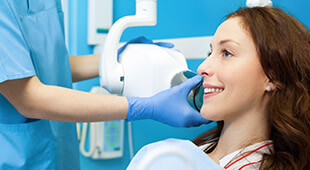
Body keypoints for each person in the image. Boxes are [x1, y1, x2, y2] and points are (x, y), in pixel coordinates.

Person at [0, 1, 209, 169]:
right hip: (20, 157)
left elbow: (48, 65)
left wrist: (117, 58)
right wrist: (145, 107)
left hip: (59, 154)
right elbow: (28, 97)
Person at [127, 6, 310, 170]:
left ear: (273, 76)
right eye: (210, 52)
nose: (202, 68)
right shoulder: (171, 156)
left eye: (227, 53)